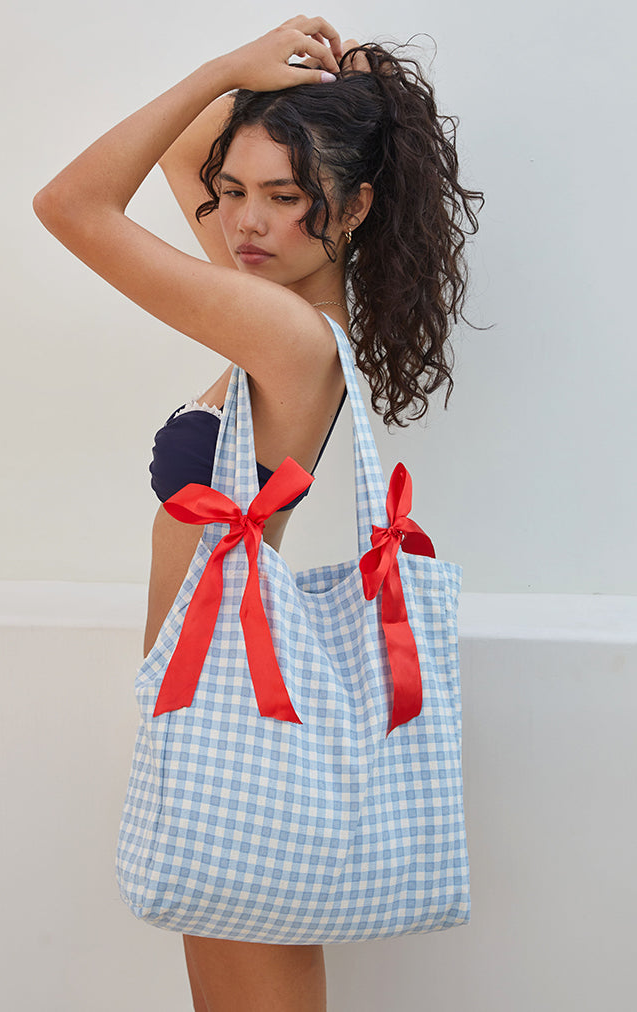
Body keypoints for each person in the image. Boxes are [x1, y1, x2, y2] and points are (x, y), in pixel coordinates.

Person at [33, 14, 482, 1011]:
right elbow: (197, 150)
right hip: (205, 716)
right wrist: (331, 82)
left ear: (356, 206)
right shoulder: (286, 293)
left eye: (285, 198)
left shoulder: (277, 329)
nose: (243, 221)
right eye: (234, 194)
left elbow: (69, 204)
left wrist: (222, 70)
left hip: (227, 726)